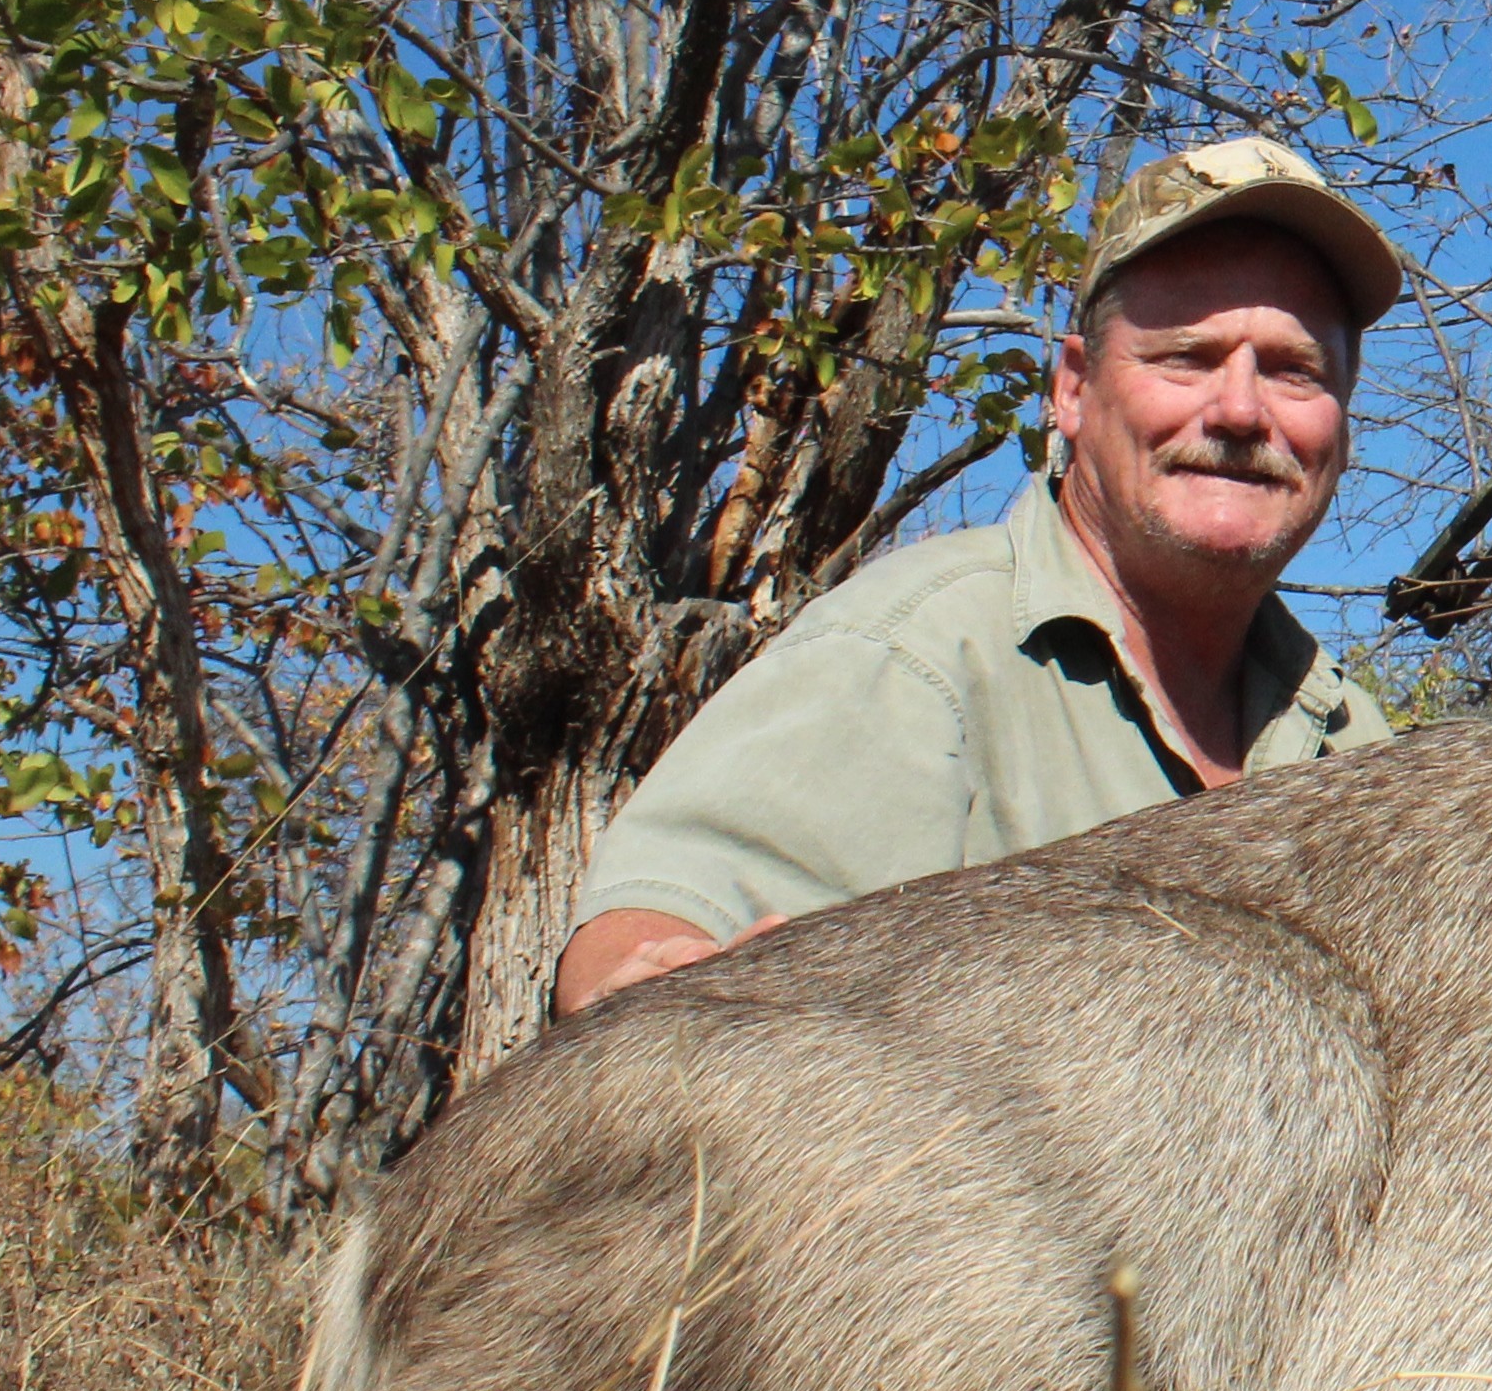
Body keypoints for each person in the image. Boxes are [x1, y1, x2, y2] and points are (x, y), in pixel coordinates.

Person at [553, 135, 1404, 1014]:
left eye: (1296, 372)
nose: (1239, 410)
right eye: (1186, 357)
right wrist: (665, 994)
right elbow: (646, 945)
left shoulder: (1356, 742)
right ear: (1072, 391)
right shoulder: (909, 650)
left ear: (1340, 433)